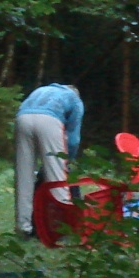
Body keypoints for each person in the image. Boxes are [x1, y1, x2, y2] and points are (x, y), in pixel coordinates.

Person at [14, 83, 84, 237]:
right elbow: (73, 139)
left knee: (24, 175)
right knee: (58, 178)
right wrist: (67, 160)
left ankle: (23, 228)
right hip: (49, 119)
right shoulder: (75, 100)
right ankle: (60, 228)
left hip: (22, 118)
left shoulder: (41, 89)